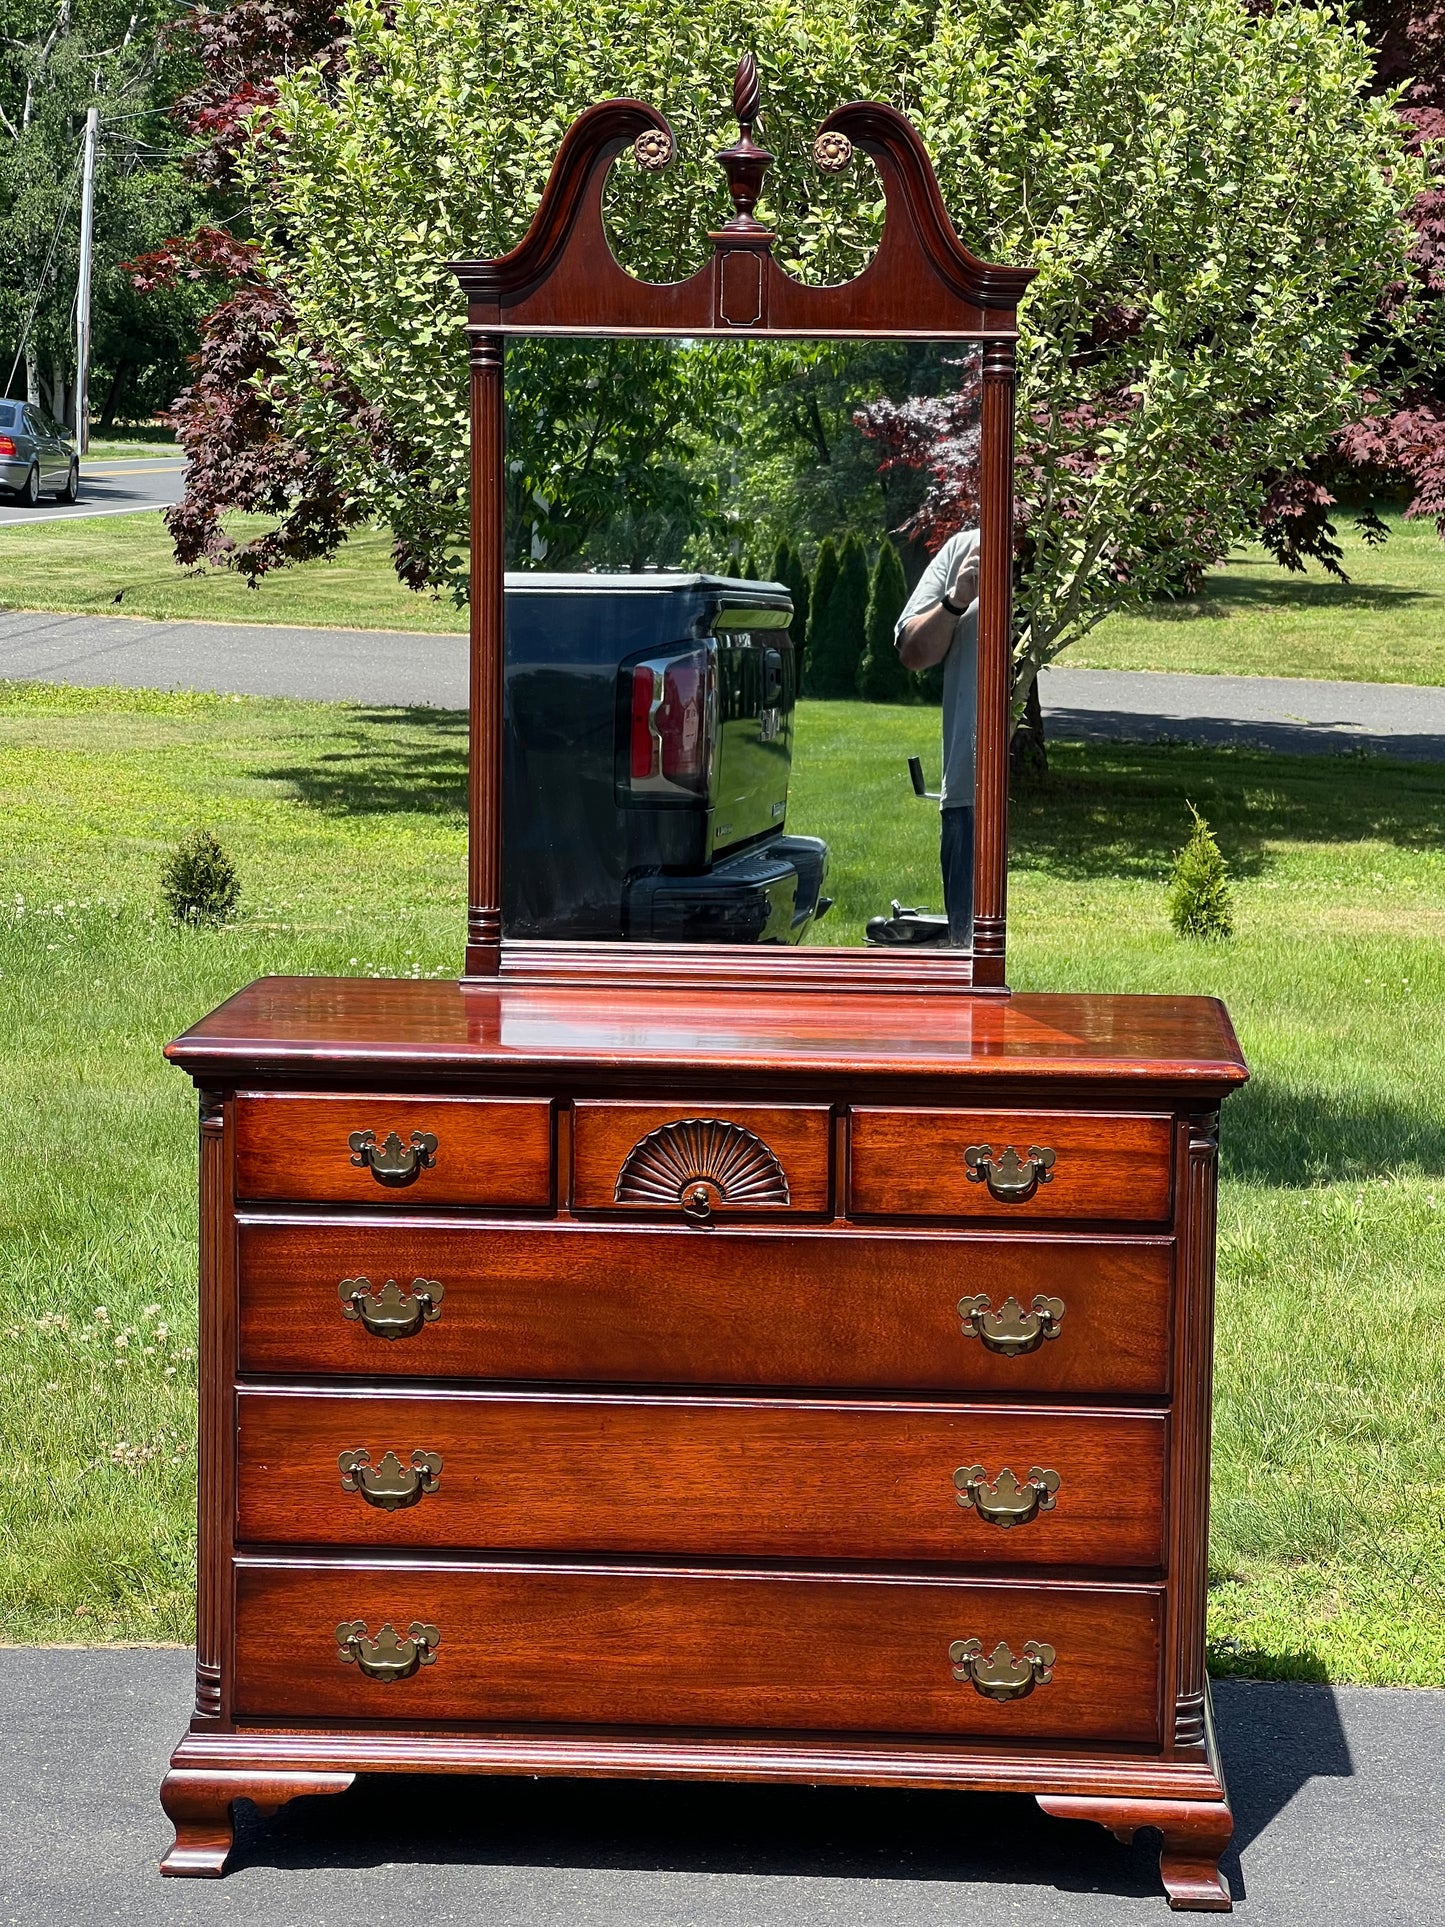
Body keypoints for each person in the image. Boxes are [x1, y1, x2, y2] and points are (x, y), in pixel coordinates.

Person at [894, 527, 980, 945]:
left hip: (1053, 811)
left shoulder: (1086, 546)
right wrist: (957, 599)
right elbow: (912, 653)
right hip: (970, 797)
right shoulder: (967, 549)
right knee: (972, 970)